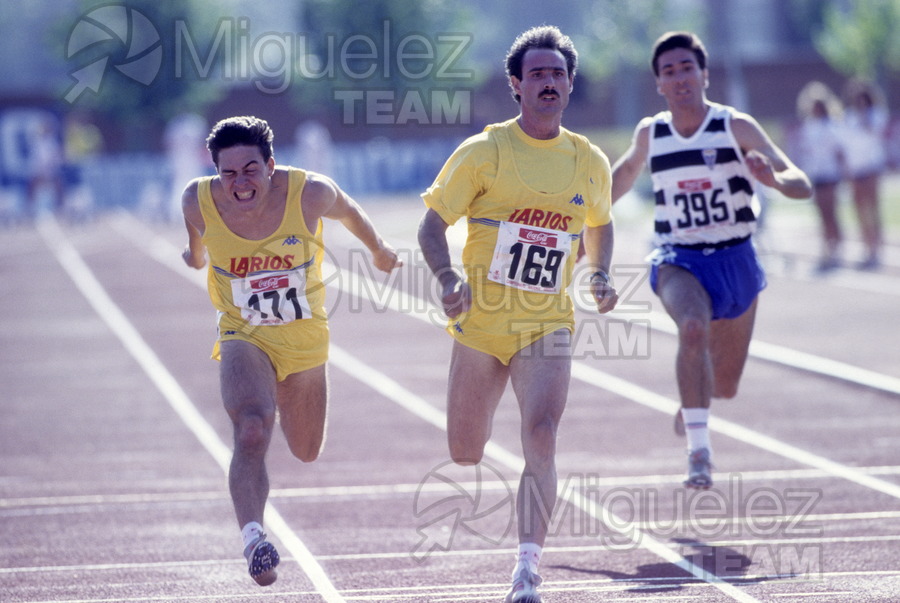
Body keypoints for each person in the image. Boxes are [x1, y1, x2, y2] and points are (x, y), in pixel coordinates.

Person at [417, 26, 618, 603]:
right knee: (465, 451)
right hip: (481, 325)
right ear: (516, 84)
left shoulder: (588, 160)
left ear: (570, 84)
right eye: (537, 74)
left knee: (542, 433)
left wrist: (599, 274)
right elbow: (432, 225)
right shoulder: (483, 153)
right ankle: (482, 462)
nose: (548, 82)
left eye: (558, 74)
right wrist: (448, 278)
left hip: (547, 323)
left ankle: (527, 568)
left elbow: (600, 224)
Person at [181, 116, 401, 586]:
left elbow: (349, 210)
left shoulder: (309, 193)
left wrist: (379, 250)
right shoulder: (197, 200)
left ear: (271, 164)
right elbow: (197, 241)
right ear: (216, 172)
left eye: (250, 170)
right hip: (244, 332)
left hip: (304, 337)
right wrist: (195, 257)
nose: (240, 183)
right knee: (253, 428)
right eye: (229, 173)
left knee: (305, 449)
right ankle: (255, 539)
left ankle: (289, 406)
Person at [610, 32, 811, 489]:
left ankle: (694, 400)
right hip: (678, 257)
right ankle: (699, 453)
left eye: (686, 68)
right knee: (693, 327)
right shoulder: (651, 133)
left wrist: (774, 180)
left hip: (736, 258)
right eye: (668, 71)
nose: (679, 78)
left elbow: (801, 181)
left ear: (703, 74)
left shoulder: (734, 126)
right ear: (658, 84)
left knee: (724, 386)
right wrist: (575, 217)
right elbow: (616, 181)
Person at [795, 81, 845, 272]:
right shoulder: (808, 127)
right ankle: (827, 246)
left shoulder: (831, 125)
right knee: (822, 213)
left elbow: (839, 151)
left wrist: (843, 173)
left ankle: (837, 246)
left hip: (831, 174)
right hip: (816, 175)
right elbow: (804, 152)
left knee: (832, 211)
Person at [840, 78, 889, 270]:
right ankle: (867, 246)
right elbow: (844, 145)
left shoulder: (876, 114)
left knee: (873, 208)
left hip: (871, 167)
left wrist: (863, 114)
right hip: (855, 170)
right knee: (860, 210)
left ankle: (877, 246)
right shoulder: (846, 117)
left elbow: (874, 132)